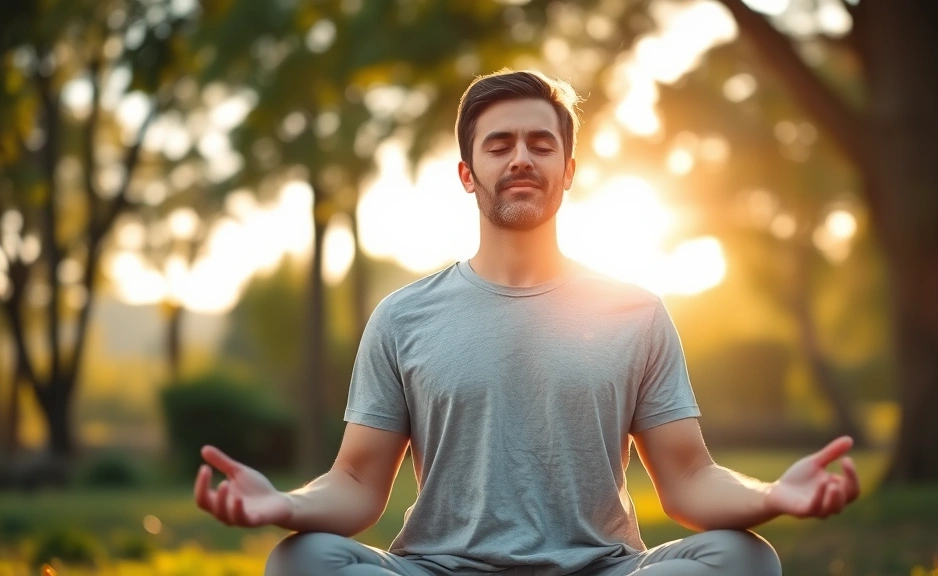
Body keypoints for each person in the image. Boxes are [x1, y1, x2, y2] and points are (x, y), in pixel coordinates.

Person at [194, 69, 860, 576]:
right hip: (439, 568)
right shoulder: (403, 317)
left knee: (745, 560)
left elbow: (688, 480)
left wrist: (774, 493)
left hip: (602, 569)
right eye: (500, 144)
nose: (521, 157)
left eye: (541, 144)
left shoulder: (636, 312)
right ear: (466, 172)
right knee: (299, 561)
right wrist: (286, 505)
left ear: (567, 173)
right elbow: (358, 484)